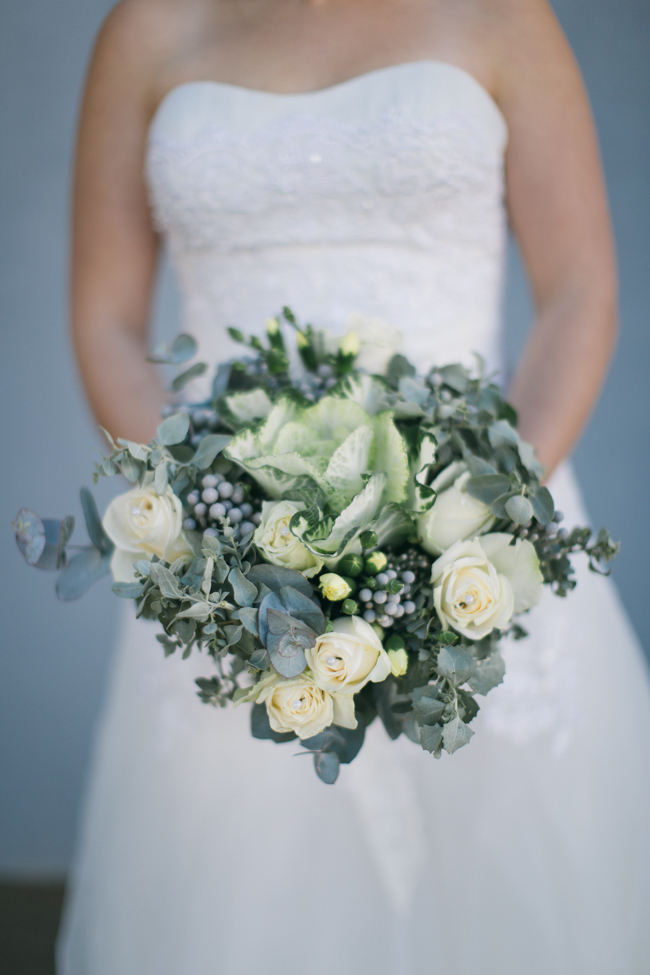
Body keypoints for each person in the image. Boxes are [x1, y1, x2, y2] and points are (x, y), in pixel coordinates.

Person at [58, 1, 650, 972]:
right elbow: (107, 319)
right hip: (232, 570)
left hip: (477, 534)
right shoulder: (145, 28)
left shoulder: (504, 15)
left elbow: (580, 289)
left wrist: (481, 520)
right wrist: (212, 531)